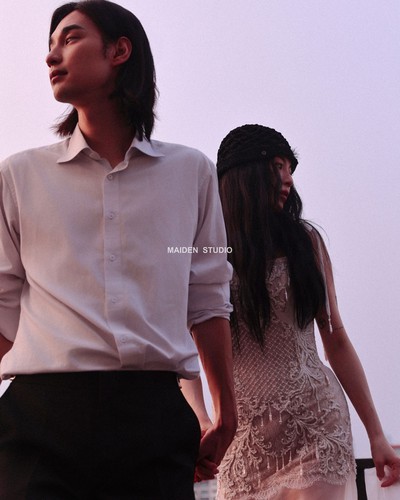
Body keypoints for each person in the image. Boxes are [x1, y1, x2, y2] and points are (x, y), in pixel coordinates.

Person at [0, 1, 237, 498]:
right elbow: (2, 310)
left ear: (119, 51)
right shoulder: (18, 176)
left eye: (70, 39)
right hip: (40, 419)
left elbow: (207, 299)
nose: (51, 56)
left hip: (153, 420)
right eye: (50, 45)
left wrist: (226, 411)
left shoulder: (191, 173)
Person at [182, 124, 400, 499]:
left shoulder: (305, 243)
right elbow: (185, 344)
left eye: (290, 169)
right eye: (278, 166)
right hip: (242, 439)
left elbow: (336, 339)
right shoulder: (204, 250)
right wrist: (202, 419)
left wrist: (376, 434)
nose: (288, 179)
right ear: (245, 175)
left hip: (315, 423)